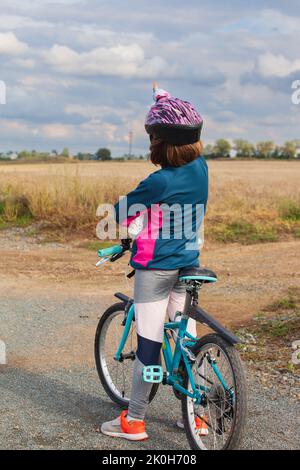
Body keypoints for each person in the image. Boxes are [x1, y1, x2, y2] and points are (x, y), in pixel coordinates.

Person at [101, 84, 209, 441]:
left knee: (149, 344)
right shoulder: (202, 169)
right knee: (187, 342)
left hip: (156, 269)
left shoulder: (159, 180)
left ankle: (134, 420)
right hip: (189, 265)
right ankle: (196, 418)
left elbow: (120, 212)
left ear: (158, 143)